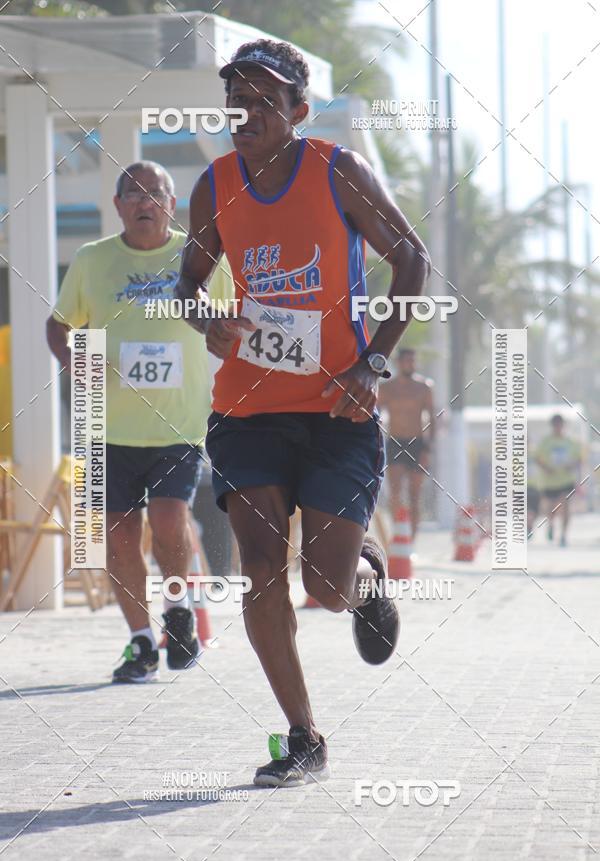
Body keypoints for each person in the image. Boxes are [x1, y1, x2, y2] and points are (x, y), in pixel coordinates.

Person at [176, 38, 430, 786]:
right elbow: (188, 281)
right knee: (260, 568)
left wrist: (372, 362)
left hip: (336, 412)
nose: (246, 113)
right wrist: (205, 317)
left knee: (324, 587)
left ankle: (363, 576)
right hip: (246, 412)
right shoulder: (214, 185)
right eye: (236, 100)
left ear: (299, 109)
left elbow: (411, 257)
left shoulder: (336, 170)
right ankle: (303, 736)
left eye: (264, 100)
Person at [47, 160, 232, 683]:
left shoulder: (198, 257)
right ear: (117, 205)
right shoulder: (93, 259)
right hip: (107, 426)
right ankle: (141, 642)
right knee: (118, 535)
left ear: (172, 205)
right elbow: (58, 324)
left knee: (170, 518)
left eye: (155, 193)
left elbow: (230, 319)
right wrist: (71, 357)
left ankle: (179, 609)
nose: (144, 202)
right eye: (133, 193)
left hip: (178, 424)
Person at [378, 348, 434, 538]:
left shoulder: (424, 387)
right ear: (399, 363)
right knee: (395, 492)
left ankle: (412, 539)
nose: (411, 364)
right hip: (395, 442)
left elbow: (432, 418)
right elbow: (375, 414)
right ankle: (398, 533)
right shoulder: (387, 388)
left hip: (417, 443)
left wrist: (428, 448)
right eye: (407, 360)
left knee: (414, 495)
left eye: (413, 361)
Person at [535, 414, 581, 547]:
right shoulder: (546, 441)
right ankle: (551, 524)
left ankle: (563, 535)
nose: (558, 427)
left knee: (565, 505)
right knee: (550, 509)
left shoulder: (570, 441)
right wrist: (546, 468)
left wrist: (572, 465)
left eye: (560, 425)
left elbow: (578, 458)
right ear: (553, 426)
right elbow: (537, 458)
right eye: (556, 425)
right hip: (549, 482)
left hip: (566, 480)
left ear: (563, 425)